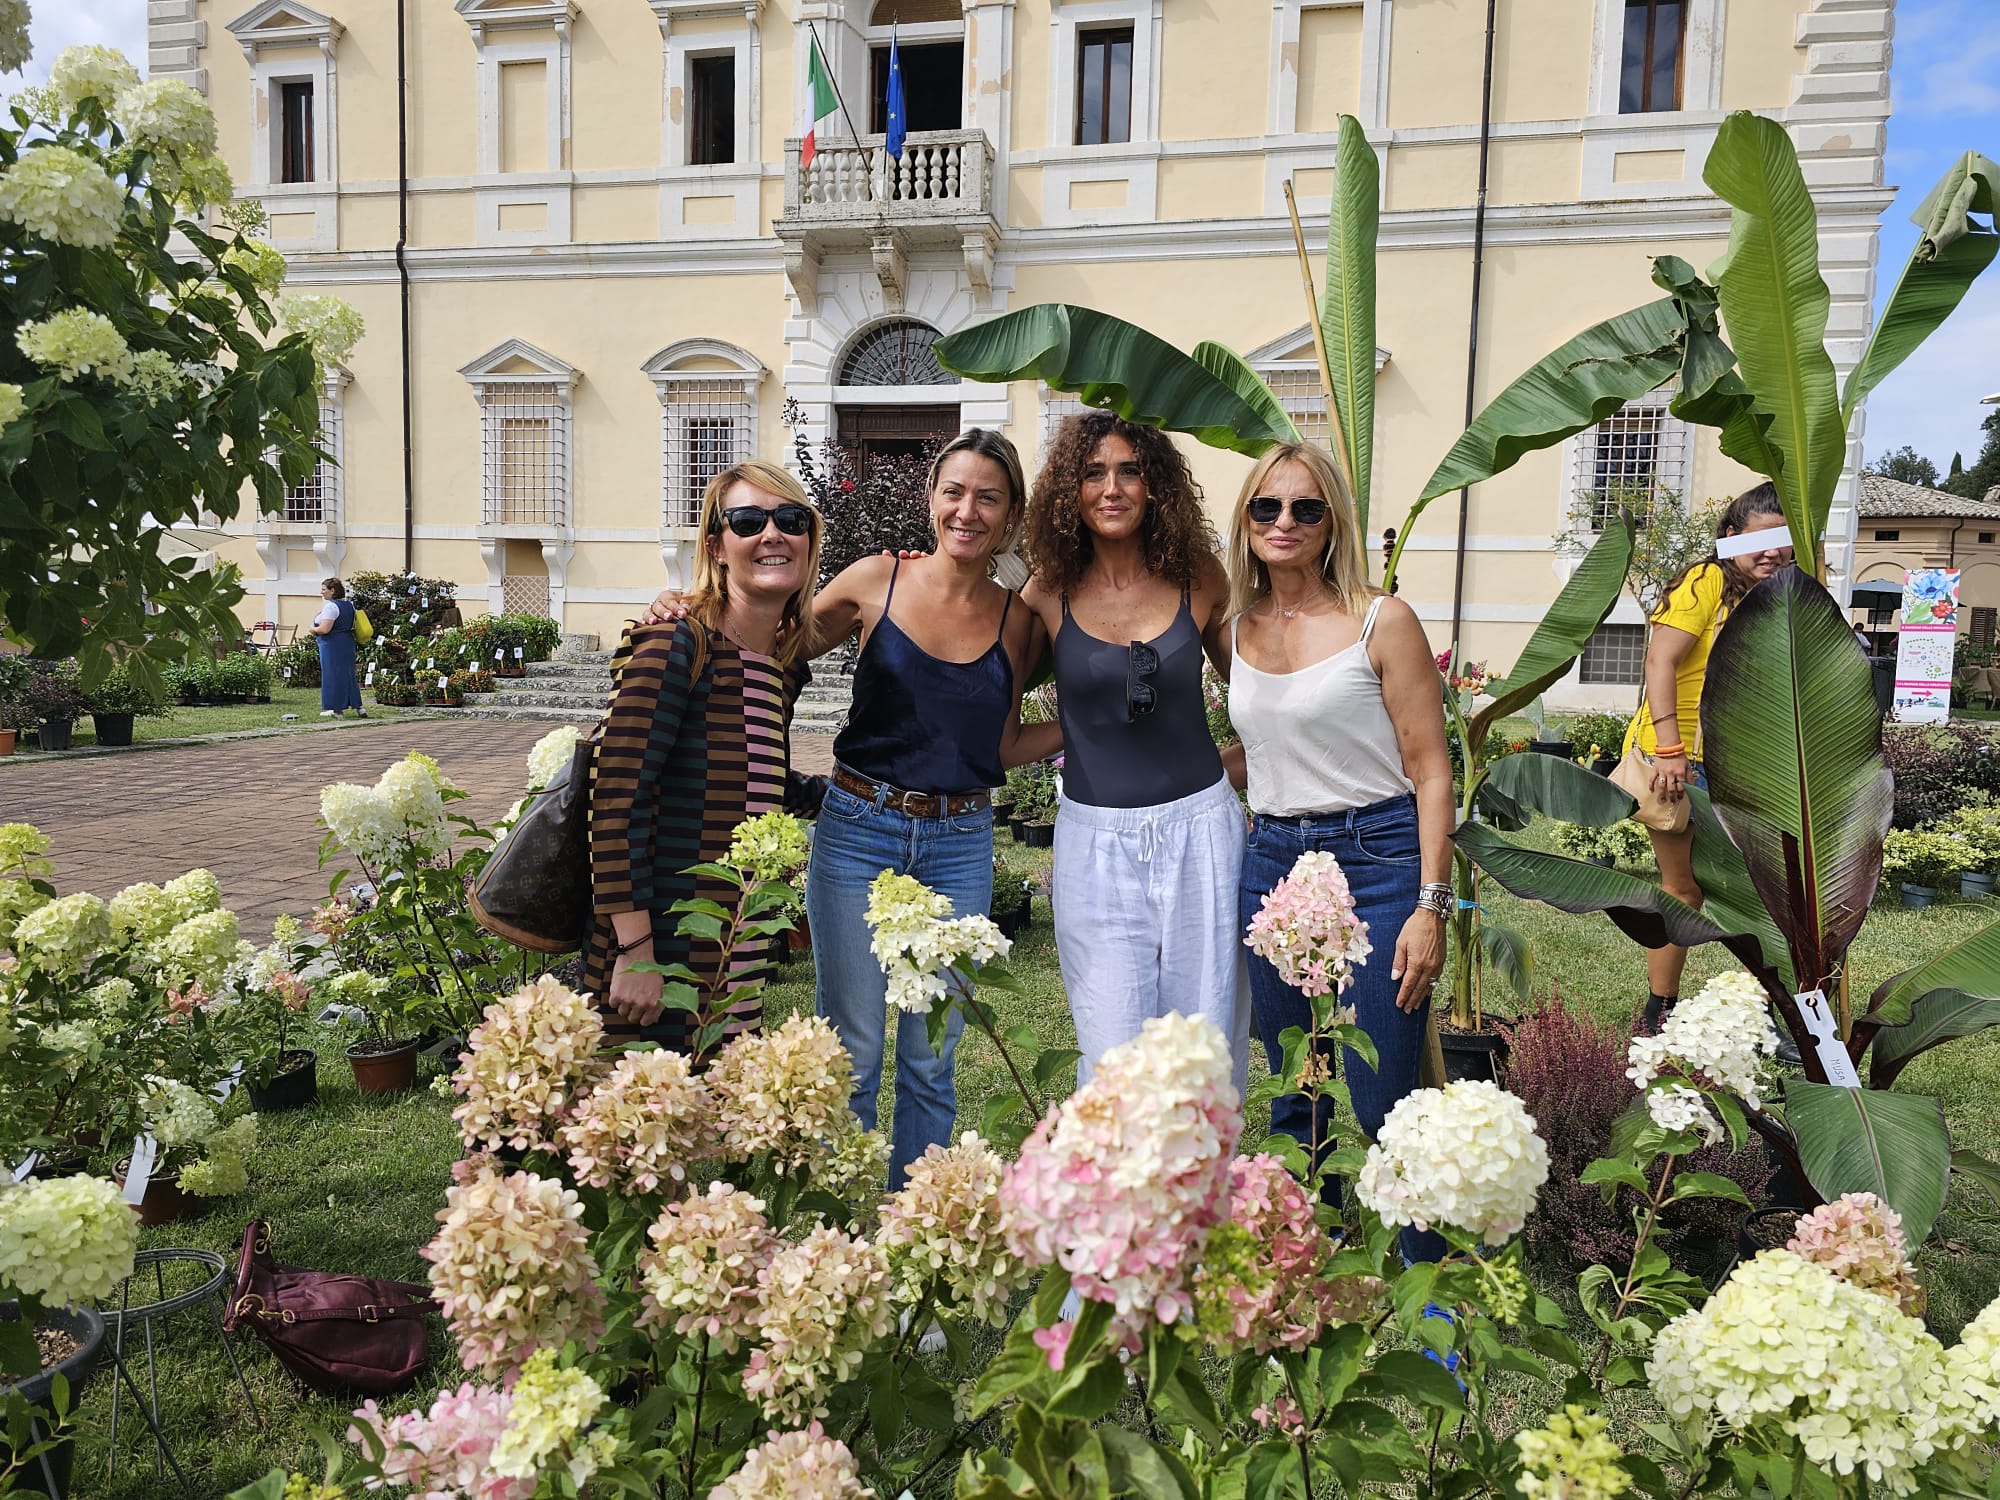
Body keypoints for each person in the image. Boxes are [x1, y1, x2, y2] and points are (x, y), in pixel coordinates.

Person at [644, 431, 1051, 1186]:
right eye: (954, 491)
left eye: (988, 497)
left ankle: (912, 1230)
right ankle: (841, 1231)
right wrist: (691, 607)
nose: (967, 510)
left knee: (934, 1056)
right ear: (932, 499)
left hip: (959, 839)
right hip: (858, 830)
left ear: (1012, 513)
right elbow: (768, 647)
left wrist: (1097, 727)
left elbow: (1000, 746)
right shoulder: (877, 580)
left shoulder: (1016, 621)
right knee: (853, 1049)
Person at [1221, 442, 1453, 1261]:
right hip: (1272, 859)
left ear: (1331, 524)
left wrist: (1432, 906)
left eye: (1305, 508)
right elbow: (1271, 739)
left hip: (1379, 857)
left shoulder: (1378, 620)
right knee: (1296, 1085)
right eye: (1267, 507)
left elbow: (1429, 768)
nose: (1284, 522)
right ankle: (1306, 1261)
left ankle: (1432, 1300)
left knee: (1384, 1089)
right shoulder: (1234, 630)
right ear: (1246, 521)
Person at [1014, 412, 1249, 1093]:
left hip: (1203, 834)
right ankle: (1117, 1197)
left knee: (1205, 1049)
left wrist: (1230, 768)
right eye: (1092, 473)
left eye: (1129, 471)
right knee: (1111, 1053)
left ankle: (1204, 1195)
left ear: (1155, 486)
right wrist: (1086, 733)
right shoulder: (1045, 594)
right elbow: (998, 730)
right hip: (1095, 844)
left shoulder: (1197, 578)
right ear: (1069, 492)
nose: (1111, 488)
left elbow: (1263, 699)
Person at [589, 460, 827, 1055]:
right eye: (747, 521)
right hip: (659, 944)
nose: (772, 535)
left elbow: (755, 782)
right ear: (717, 545)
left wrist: (858, 794)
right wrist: (635, 952)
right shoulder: (675, 644)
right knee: (637, 1128)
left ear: (809, 537)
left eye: (790, 518)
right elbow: (616, 799)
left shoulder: (782, 668)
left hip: (733, 946)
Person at [1624, 482, 1793, 1031]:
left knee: (1768, 893)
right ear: (1729, 537)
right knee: (1683, 887)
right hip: (1679, 759)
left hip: (1747, 765)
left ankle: (1774, 1015)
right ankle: (1660, 1009)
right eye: (1760, 539)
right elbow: (1660, 663)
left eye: (1783, 540)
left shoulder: (1783, 593)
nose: (1773, 551)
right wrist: (1671, 751)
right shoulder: (1706, 582)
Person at [309, 577, 365, 717]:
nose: (321, 592)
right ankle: (359, 707)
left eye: (324, 589)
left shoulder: (331, 607)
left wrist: (312, 629)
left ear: (332, 591)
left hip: (332, 645)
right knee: (348, 675)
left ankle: (336, 709)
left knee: (332, 675)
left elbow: (325, 629)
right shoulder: (349, 605)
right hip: (347, 642)